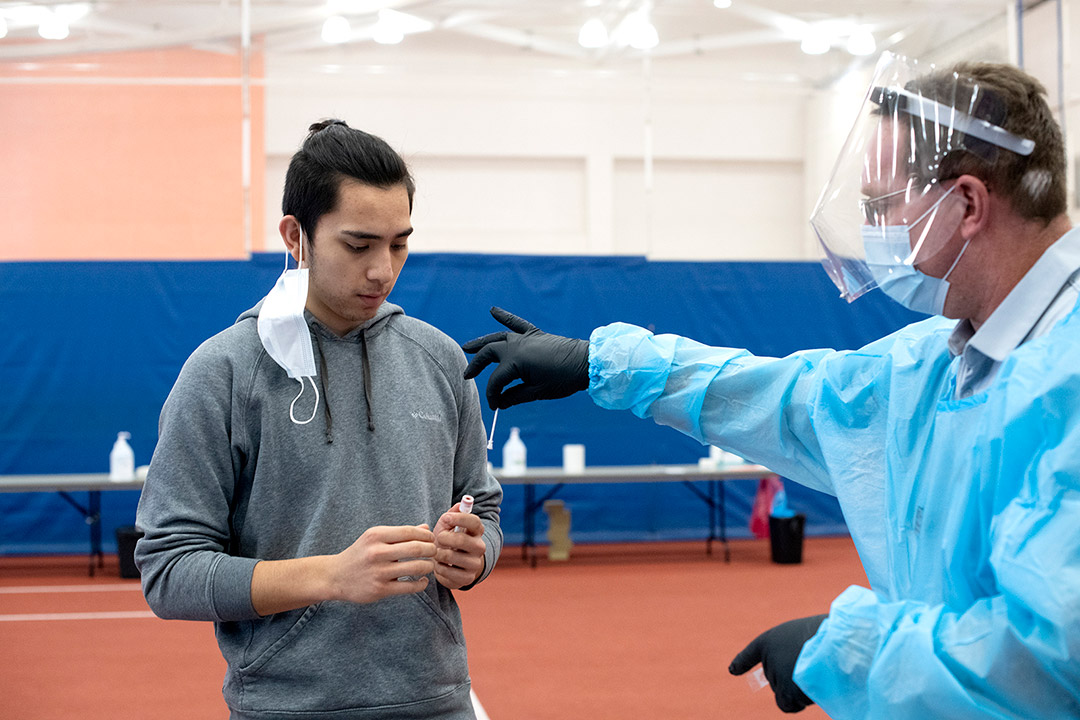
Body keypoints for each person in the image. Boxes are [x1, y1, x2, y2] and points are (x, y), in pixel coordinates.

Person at [461, 53, 1080, 719]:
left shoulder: (1062, 380)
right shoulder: (943, 358)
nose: (874, 232)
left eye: (883, 205)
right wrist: (599, 363)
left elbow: (1049, 659)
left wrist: (850, 648)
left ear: (966, 203)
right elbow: (791, 399)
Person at [136, 119, 502, 720]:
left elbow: (481, 508)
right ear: (295, 235)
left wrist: (474, 554)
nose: (383, 269)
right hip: (288, 706)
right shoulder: (223, 371)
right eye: (358, 245)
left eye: (400, 243)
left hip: (439, 700)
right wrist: (330, 577)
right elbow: (169, 572)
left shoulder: (440, 359)